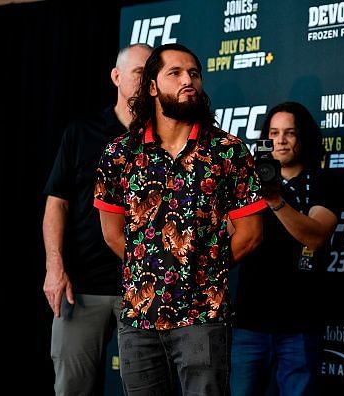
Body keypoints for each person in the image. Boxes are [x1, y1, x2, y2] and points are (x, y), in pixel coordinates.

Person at [93, 43, 265, 396]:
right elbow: (112, 234)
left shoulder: (228, 151)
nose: (188, 80)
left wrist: (201, 269)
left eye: (194, 74)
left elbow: (250, 234)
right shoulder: (119, 153)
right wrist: (151, 273)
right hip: (139, 318)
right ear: (152, 86)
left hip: (204, 316)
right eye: (175, 73)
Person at [42, 43, 152, 396]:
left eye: (151, 74)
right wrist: (54, 267)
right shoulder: (82, 132)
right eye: (138, 73)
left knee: (148, 388)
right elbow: (56, 203)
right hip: (82, 287)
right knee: (71, 388)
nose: (145, 81)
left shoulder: (166, 138)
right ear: (116, 77)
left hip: (144, 288)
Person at [230, 102, 338, 396]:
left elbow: (315, 236)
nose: (281, 140)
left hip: (299, 324)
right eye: (274, 133)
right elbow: (228, 236)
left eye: (290, 133)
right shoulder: (247, 184)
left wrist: (275, 199)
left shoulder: (322, 182)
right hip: (249, 323)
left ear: (303, 138)